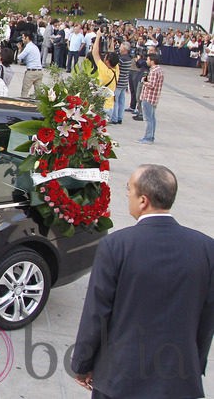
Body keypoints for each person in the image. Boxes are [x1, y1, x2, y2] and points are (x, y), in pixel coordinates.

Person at [71, 164, 214, 399]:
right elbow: (207, 318)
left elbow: (97, 312)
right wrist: (194, 366)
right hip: (177, 380)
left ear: (143, 200)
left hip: (119, 378)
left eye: (129, 189)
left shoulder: (116, 246)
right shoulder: (206, 249)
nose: (127, 194)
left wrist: (82, 364)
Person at [90, 31, 119, 113]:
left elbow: (95, 53)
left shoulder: (105, 71)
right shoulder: (116, 69)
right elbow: (112, 53)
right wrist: (111, 39)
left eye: (105, 58)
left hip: (102, 105)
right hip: (110, 105)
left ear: (107, 62)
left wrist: (98, 36)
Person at [138, 53, 163, 144]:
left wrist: (143, 81)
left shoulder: (153, 71)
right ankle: (151, 136)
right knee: (152, 118)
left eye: (148, 60)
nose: (146, 61)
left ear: (152, 61)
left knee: (148, 118)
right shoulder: (159, 70)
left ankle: (148, 137)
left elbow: (151, 85)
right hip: (154, 98)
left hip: (148, 97)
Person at [17, 31, 43, 99]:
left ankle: (22, 106)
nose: (22, 39)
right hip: (39, 71)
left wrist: (19, 49)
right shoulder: (35, 47)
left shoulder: (28, 47)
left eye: (23, 37)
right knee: (39, 93)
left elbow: (19, 57)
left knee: (24, 92)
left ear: (27, 38)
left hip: (31, 71)